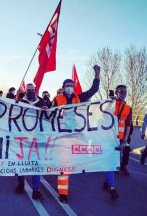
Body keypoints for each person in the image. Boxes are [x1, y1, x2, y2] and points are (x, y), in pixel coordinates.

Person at [52, 65, 100, 203]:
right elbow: (50, 114)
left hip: (74, 135)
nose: (70, 87)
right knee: (64, 165)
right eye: (67, 85)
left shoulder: (79, 98)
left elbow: (94, 90)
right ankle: (63, 193)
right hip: (61, 136)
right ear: (63, 86)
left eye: (71, 85)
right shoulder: (57, 99)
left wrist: (97, 75)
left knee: (70, 163)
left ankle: (63, 189)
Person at [15, 83, 46, 200]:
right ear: (25, 91)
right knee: (20, 162)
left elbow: (48, 116)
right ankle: (21, 184)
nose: (30, 92)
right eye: (28, 90)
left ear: (35, 90)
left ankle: (36, 189)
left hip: (36, 138)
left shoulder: (41, 102)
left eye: (32, 90)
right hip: (22, 137)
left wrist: (46, 110)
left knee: (36, 164)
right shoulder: (21, 102)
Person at [102, 85, 132, 201]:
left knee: (115, 163)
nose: (123, 93)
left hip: (119, 139)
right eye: (121, 91)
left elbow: (128, 125)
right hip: (108, 138)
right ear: (116, 92)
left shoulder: (128, 108)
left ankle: (106, 182)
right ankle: (112, 188)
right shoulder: (109, 104)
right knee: (111, 162)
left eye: (125, 91)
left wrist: (125, 140)